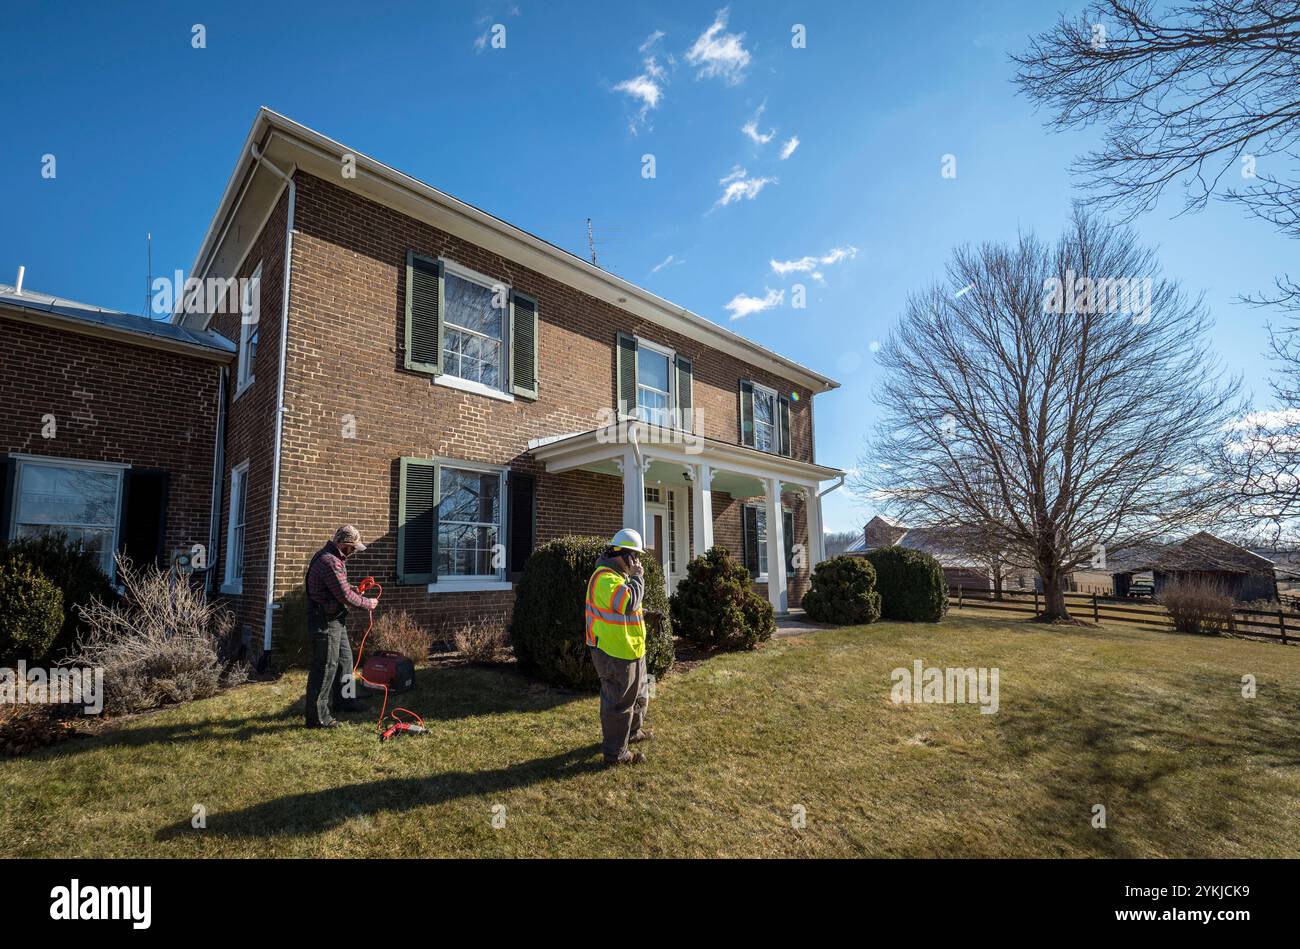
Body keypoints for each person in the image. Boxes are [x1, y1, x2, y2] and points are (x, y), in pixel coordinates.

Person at [585, 528, 654, 765]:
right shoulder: (604, 578)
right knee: (619, 704)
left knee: (639, 696)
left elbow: (629, 608)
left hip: (631, 649)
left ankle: (632, 733)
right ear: (622, 555)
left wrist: (646, 614)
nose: (637, 562)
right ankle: (616, 754)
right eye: (635, 556)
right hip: (614, 653)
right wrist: (638, 577)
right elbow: (626, 603)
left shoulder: (619, 578)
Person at [304, 525, 378, 728]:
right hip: (325, 621)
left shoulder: (330, 557)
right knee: (326, 667)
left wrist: (353, 588)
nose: (353, 552)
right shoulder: (330, 562)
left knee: (346, 660)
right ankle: (318, 718)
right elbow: (344, 596)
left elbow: (341, 588)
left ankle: (346, 701)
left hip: (336, 618)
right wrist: (367, 604)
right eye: (352, 548)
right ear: (343, 545)